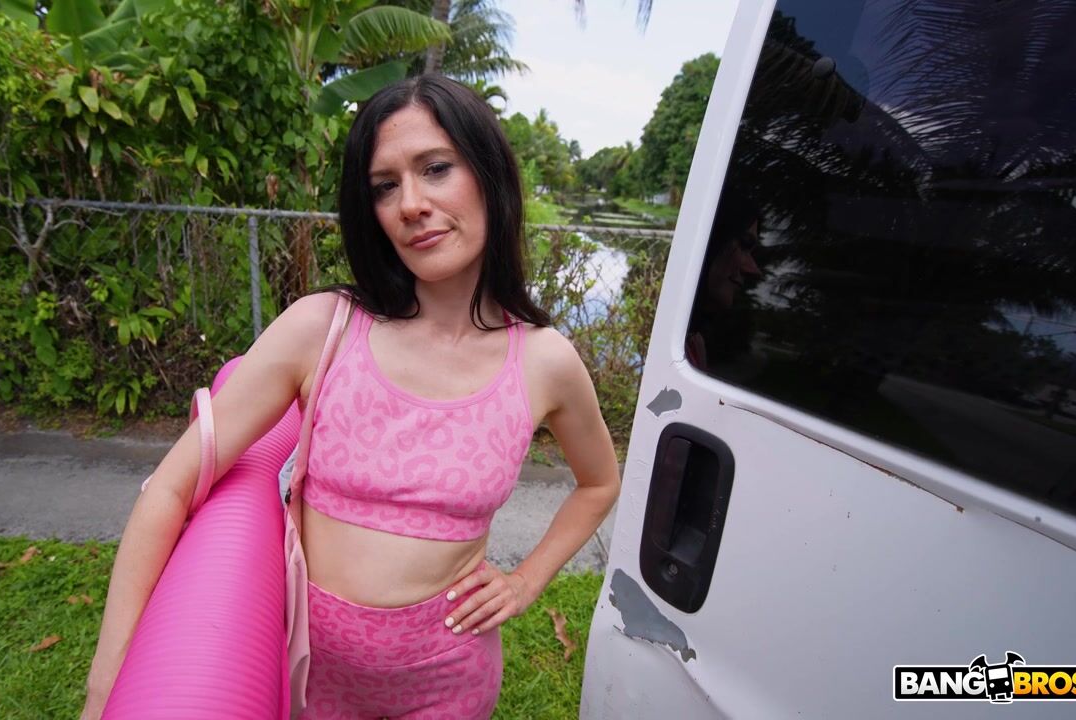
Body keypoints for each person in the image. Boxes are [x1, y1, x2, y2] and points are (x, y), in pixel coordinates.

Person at [81, 74, 621, 719]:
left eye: (436, 168)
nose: (410, 204)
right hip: (314, 673)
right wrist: (104, 686)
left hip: (449, 679)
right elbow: (170, 488)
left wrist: (526, 580)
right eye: (385, 185)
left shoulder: (543, 361)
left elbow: (599, 483)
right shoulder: (323, 330)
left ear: (489, 174)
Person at [685, 193, 762, 370]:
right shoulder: (669, 342)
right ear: (711, 238)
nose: (754, 270)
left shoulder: (693, 342)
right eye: (744, 244)